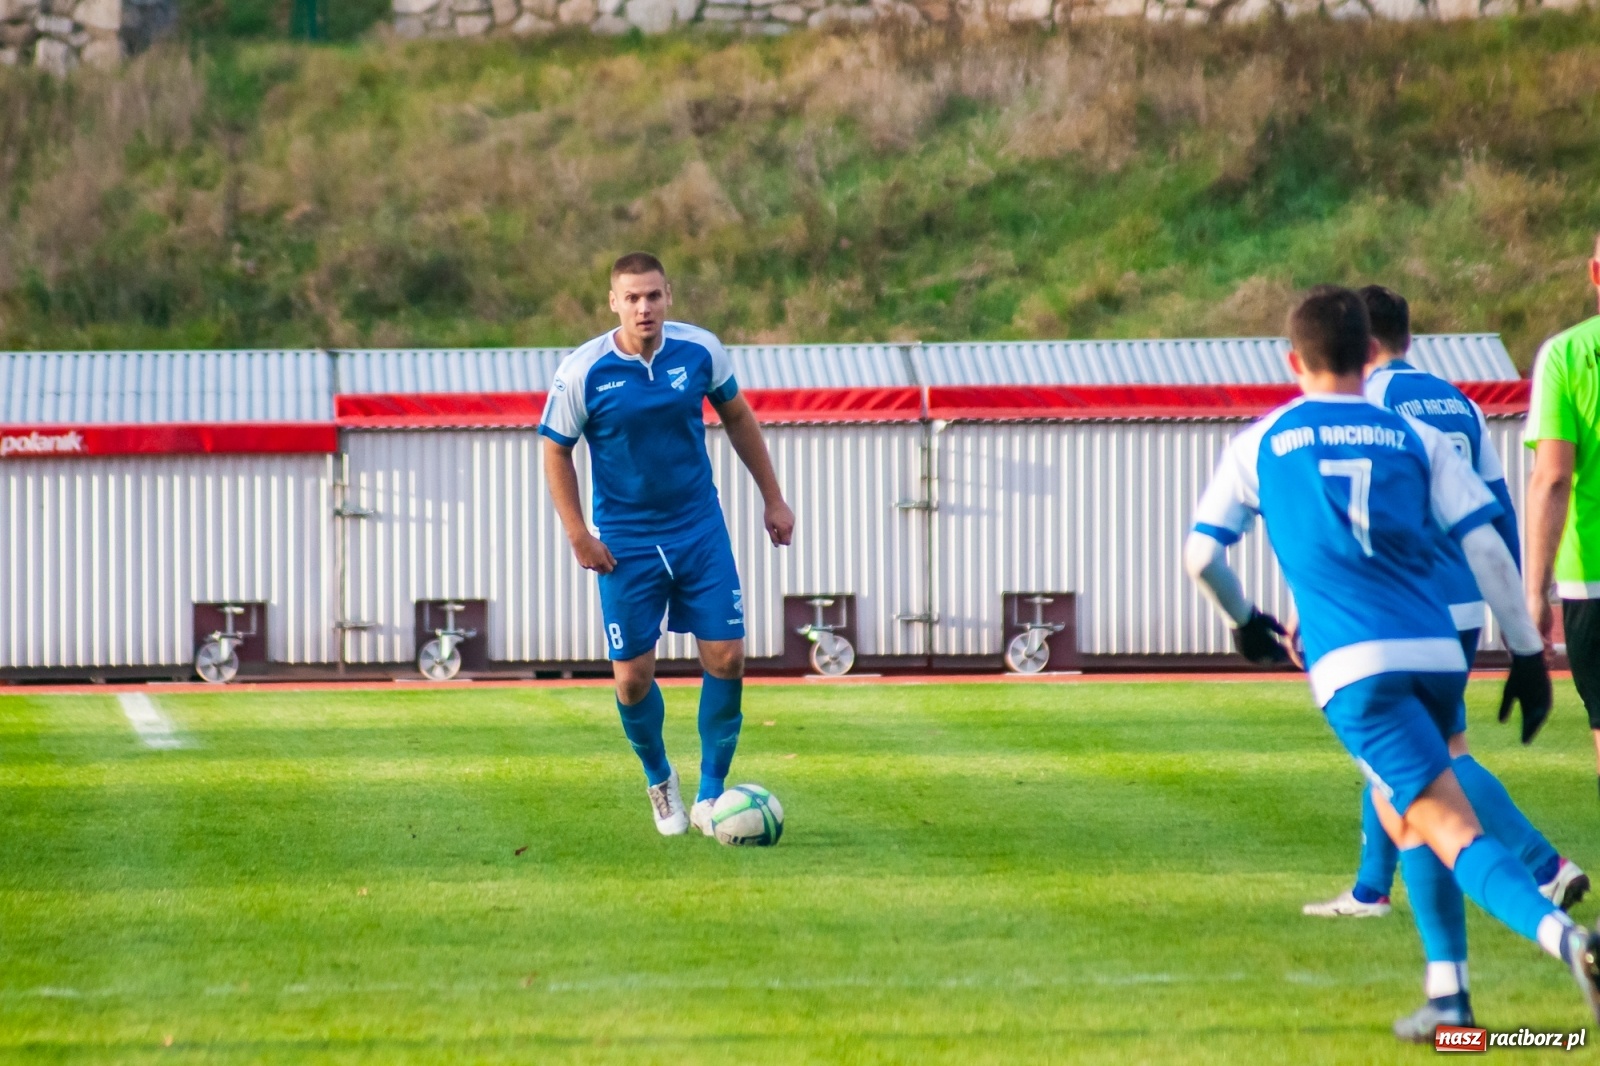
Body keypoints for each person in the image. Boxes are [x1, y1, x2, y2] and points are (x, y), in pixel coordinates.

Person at [1185, 285, 1600, 1041]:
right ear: (1371, 353)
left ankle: (1571, 942)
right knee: (1403, 808)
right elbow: (1484, 542)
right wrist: (1529, 653)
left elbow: (1202, 554)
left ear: (1292, 360)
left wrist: (1246, 623)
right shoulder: (1418, 435)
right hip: (1438, 647)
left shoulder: (1263, 439)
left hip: (1356, 666)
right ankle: (1450, 1001)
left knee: (1446, 825)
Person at [1301, 285, 1587, 920]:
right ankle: (1370, 890)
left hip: (1406, 598)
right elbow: (1495, 508)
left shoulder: (1365, 401)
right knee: (1395, 750)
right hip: (1465, 597)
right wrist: (1512, 595)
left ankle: (1544, 865)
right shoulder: (1458, 400)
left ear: (1361, 341)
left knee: (1434, 754)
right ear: (1407, 336)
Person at [539, 252, 795, 836]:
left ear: (669, 297)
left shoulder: (701, 350)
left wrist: (773, 498)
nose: (644, 307)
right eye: (632, 297)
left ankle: (710, 793)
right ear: (613, 303)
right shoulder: (583, 370)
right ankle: (660, 781)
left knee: (728, 656)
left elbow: (737, 418)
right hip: (626, 541)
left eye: (653, 295)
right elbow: (555, 449)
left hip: (698, 527)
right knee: (631, 677)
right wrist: (579, 533)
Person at [1525, 231, 1600, 797]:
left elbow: (1552, 477)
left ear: (1595, 274)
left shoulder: (1569, 354)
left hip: (1591, 578)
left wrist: (1533, 591)